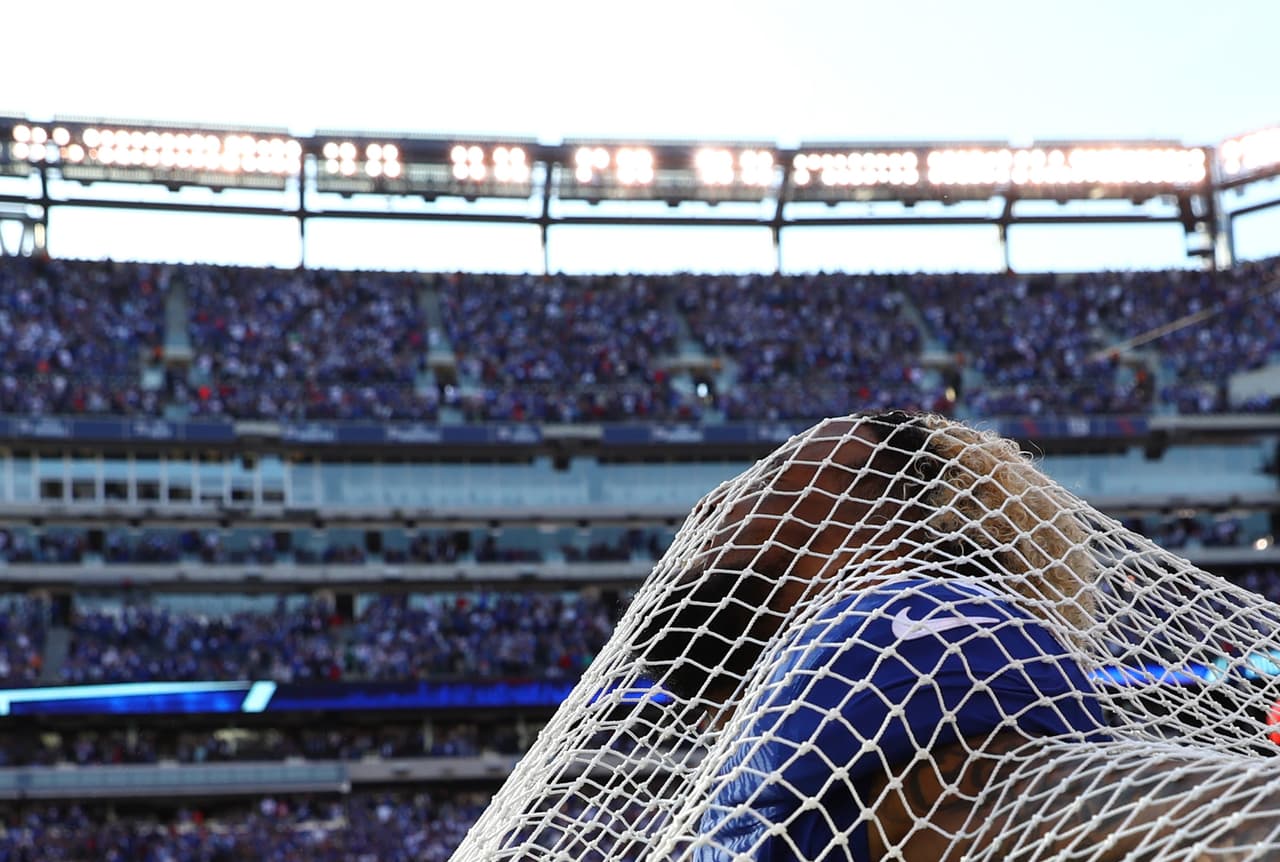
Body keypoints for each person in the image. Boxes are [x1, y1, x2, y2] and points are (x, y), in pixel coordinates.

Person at [635, 409, 1280, 861]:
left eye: (775, 476)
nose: (718, 502)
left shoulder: (911, 625)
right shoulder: (783, 714)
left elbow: (1026, 805)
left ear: (892, 517)